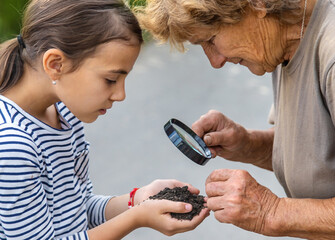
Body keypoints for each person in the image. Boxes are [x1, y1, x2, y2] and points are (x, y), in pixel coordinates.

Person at [134, 0, 335, 239]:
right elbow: (329, 151)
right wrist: (249, 145)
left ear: (258, 5)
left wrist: (270, 213)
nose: (215, 61)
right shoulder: (285, 40)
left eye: (210, 40)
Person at [0, 0, 209, 239]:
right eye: (111, 79)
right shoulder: (13, 145)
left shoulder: (64, 115)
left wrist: (138, 199)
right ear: (55, 64)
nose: (121, 95)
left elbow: (77, 211)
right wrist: (137, 217)